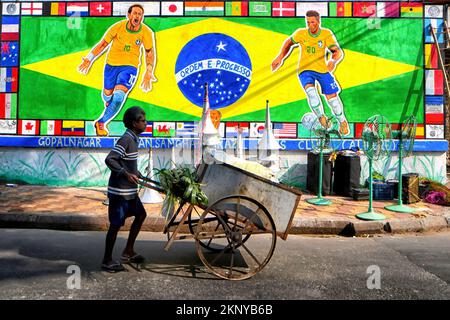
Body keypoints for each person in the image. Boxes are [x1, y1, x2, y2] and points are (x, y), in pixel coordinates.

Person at [78, 4, 157, 136]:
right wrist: (89, 58)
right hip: (111, 66)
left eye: (140, 14)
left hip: (130, 68)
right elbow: (103, 44)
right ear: (129, 15)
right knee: (107, 95)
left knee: (119, 97)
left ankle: (101, 122)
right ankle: (109, 101)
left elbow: (149, 52)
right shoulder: (117, 27)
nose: (137, 16)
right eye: (135, 13)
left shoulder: (146, 32)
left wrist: (149, 70)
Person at [271, 10, 349, 136]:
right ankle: (321, 118)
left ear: (318, 22)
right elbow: (288, 43)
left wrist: (333, 61)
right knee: (312, 94)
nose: (309, 25)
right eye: (307, 22)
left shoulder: (326, 34)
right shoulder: (301, 33)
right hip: (305, 70)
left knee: (333, 101)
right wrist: (280, 58)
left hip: (322, 70)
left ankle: (342, 122)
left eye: (312, 22)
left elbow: (337, 52)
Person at [101, 106, 148, 272]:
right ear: (135, 123)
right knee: (115, 225)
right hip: (120, 192)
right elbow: (111, 159)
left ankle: (128, 251)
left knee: (141, 214)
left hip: (130, 191)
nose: (145, 123)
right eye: (143, 121)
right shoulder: (126, 139)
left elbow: (126, 161)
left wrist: (136, 173)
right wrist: (125, 173)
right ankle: (107, 260)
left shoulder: (134, 138)